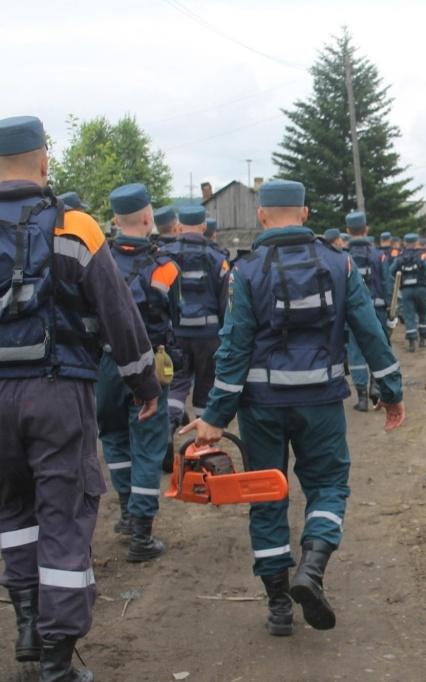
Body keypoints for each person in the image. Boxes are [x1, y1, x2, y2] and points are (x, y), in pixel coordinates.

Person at [179, 179, 405, 638]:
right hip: (320, 401)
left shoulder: (246, 270)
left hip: (261, 406)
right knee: (327, 486)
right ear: (304, 214)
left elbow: (234, 348)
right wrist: (391, 390)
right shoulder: (339, 264)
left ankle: (279, 604)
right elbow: (370, 331)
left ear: (262, 216)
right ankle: (313, 570)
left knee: (265, 495)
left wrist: (216, 417)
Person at [0, 115, 160, 681]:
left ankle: (25, 623)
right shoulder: (75, 227)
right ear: (43, 162)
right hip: (58, 392)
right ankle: (56, 660)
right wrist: (144, 384)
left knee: (14, 512)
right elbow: (119, 316)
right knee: (64, 516)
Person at [97, 183, 180, 562]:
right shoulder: (165, 268)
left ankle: (128, 513)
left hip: (105, 363)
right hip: (147, 363)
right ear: (148, 218)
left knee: (114, 439)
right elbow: (174, 317)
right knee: (148, 447)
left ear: (115, 220)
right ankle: (142, 536)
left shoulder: (97, 261)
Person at [159, 205, 229, 439]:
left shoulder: (164, 255)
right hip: (208, 336)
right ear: (203, 226)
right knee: (206, 386)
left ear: (179, 225)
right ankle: (202, 444)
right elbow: (225, 303)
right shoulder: (217, 257)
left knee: (176, 384)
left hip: (175, 334)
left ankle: (168, 427)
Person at [345, 211, 393, 410]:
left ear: (347, 231)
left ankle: (362, 398)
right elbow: (387, 282)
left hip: (351, 311)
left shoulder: (341, 257)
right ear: (367, 229)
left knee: (355, 352)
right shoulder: (378, 255)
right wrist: (391, 307)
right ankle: (376, 386)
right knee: (377, 347)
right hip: (377, 308)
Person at [390, 233, 426, 352]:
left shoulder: (400, 256)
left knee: (409, 315)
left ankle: (412, 341)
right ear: (417, 242)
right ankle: (423, 339)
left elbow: (390, 271)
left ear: (405, 243)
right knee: (423, 312)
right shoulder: (422, 254)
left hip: (406, 290)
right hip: (421, 288)